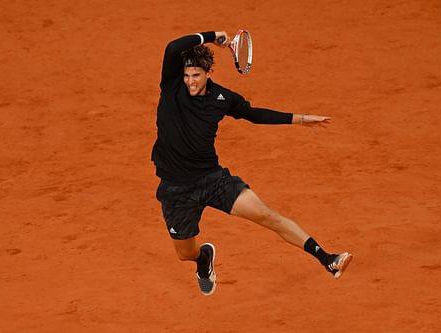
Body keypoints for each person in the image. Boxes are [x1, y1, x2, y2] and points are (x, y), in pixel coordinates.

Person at [151, 30, 352, 296]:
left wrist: (300, 118)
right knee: (185, 253)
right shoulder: (172, 86)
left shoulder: (222, 99)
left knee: (268, 216)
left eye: (196, 75)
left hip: (213, 180)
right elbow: (173, 46)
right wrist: (211, 35)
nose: (190, 81)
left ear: (208, 73)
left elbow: (254, 115)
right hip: (177, 189)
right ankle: (203, 259)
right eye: (187, 75)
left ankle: (327, 258)